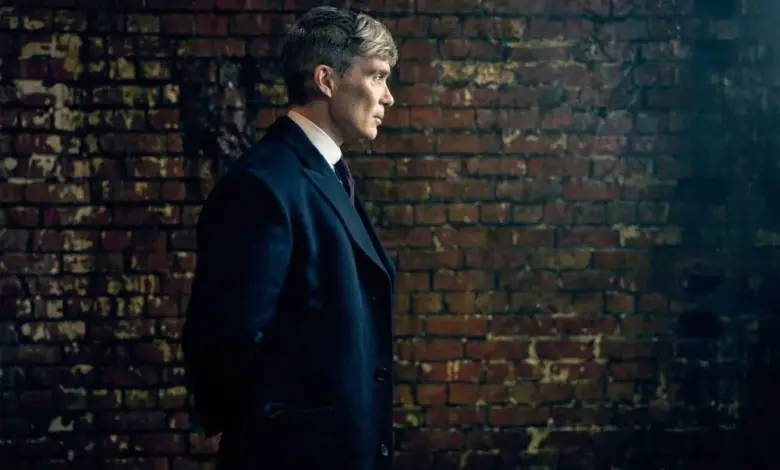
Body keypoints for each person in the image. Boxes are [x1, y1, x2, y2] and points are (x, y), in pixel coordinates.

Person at [180, 6, 398, 470]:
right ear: (326, 80)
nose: (388, 96)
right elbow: (226, 342)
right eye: (377, 76)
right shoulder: (263, 183)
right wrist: (291, 434)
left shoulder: (326, 172)